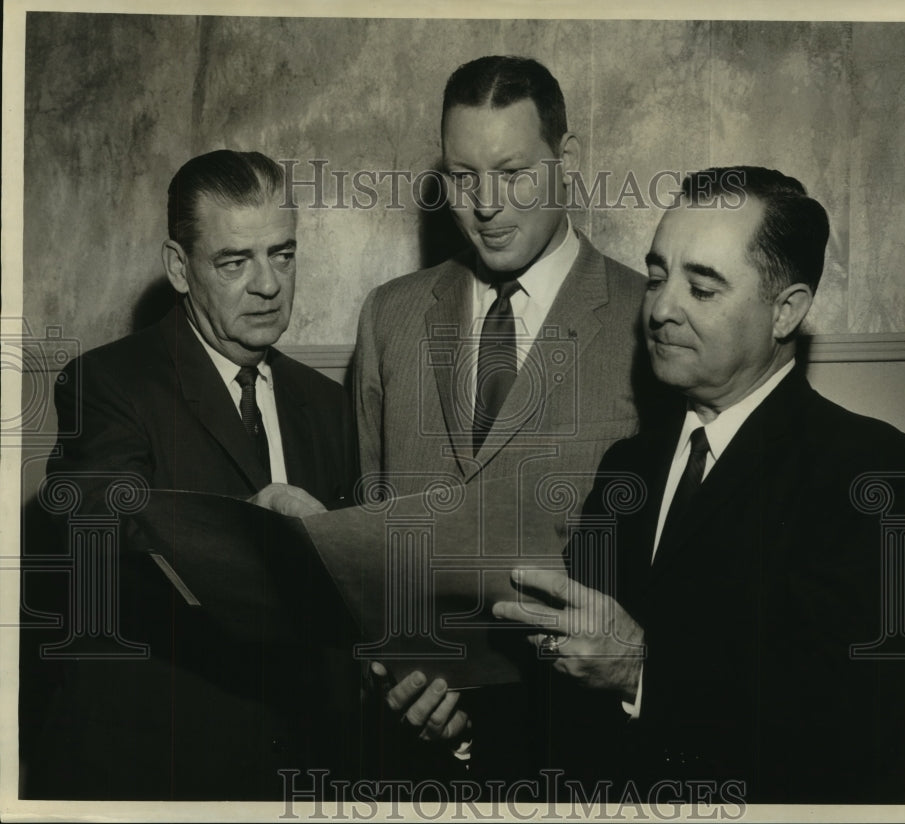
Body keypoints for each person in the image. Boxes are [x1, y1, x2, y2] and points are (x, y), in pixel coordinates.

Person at [494, 167, 905, 803]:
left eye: (701, 289)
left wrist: (639, 670)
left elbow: (850, 729)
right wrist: (455, 722)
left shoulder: (874, 470)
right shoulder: (627, 466)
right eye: (655, 277)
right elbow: (563, 693)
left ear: (787, 310)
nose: (660, 308)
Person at [352, 56, 663, 777]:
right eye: (463, 177)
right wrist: (393, 671)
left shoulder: (649, 321)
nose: (485, 203)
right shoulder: (389, 315)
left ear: (567, 160)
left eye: (514, 172)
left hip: (582, 745)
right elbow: (367, 526)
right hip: (412, 737)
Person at [22, 150, 359, 799]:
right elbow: (103, 519)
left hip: (298, 780)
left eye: (282, 254)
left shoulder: (329, 406)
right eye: (235, 261)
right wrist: (251, 529)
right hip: (154, 776)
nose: (268, 284)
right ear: (180, 267)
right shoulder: (108, 384)